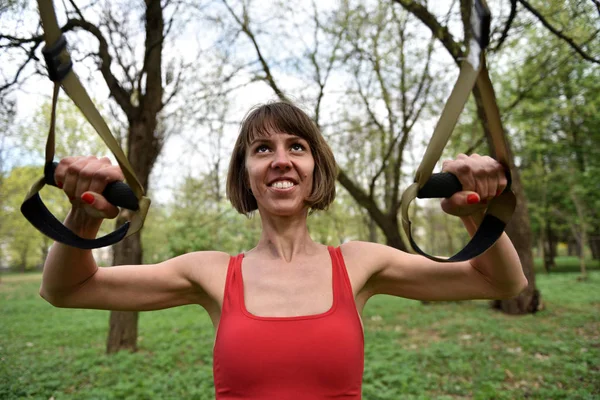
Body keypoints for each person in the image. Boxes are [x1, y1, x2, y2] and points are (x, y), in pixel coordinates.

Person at [40, 101, 527, 399]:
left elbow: (500, 281)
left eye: (296, 147)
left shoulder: (359, 263)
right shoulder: (210, 272)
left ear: (315, 167)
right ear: (246, 176)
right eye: (261, 149)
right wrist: (85, 214)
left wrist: (477, 210)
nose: (280, 161)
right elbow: (67, 288)